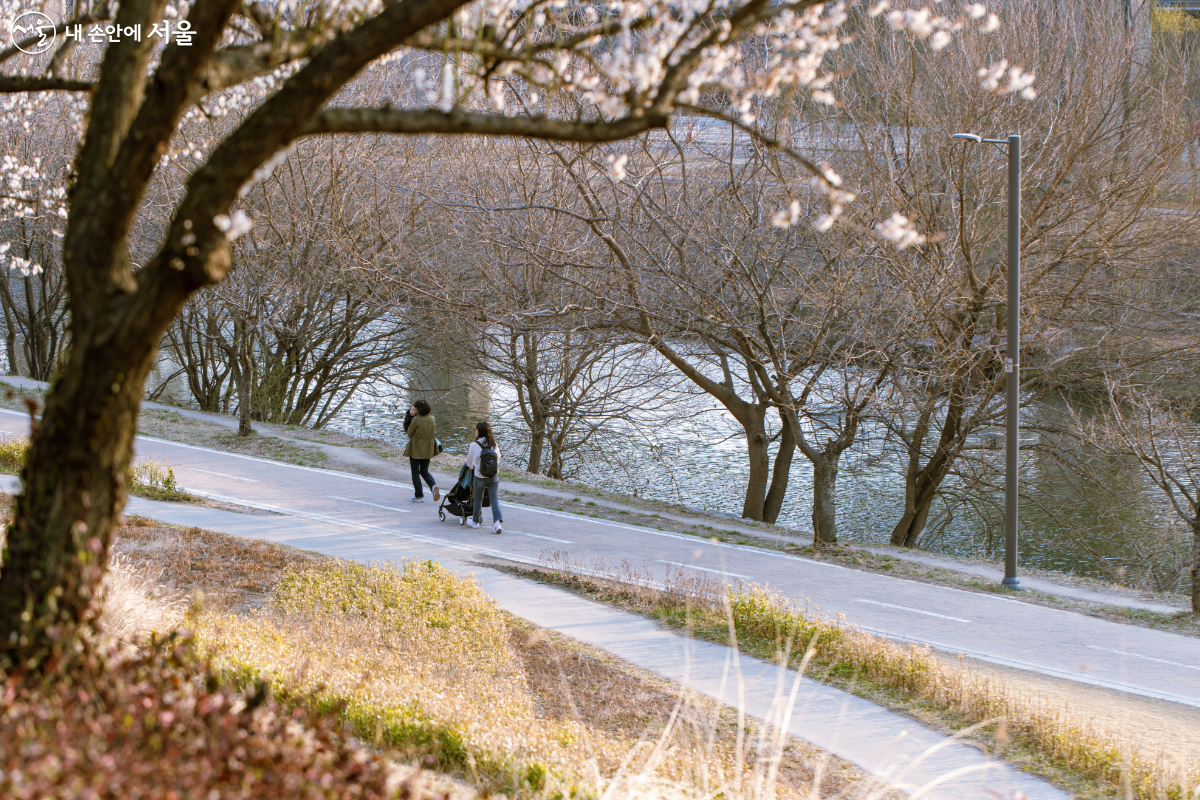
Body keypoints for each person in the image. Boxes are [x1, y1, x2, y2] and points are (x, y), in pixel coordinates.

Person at [464, 420, 503, 533]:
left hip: (480, 476)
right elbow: (498, 458)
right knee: (494, 500)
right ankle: (497, 523)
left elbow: (469, 463)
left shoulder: (474, 445)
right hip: (494, 476)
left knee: (478, 499)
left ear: (479, 432)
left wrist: (474, 467)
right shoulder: (494, 444)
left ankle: (476, 521)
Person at [403, 399, 439, 503]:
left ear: (419, 409)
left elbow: (409, 433)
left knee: (415, 472)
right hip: (428, 448)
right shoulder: (432, 418)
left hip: (416, 448)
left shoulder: (417, 419)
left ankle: (419, 495)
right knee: (424, 471)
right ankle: (433, 485)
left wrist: (409, 418)